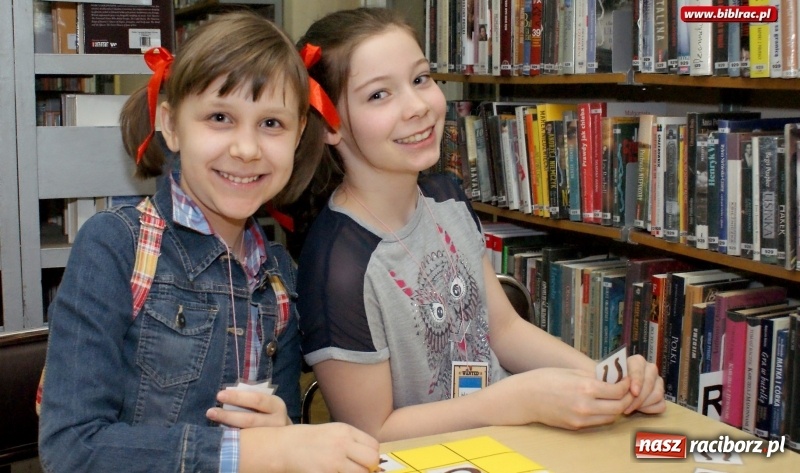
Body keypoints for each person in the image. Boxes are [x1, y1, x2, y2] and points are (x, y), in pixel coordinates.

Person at [295, 7, 666, 443]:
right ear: (329, 125)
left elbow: (504, 329)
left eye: (420, 79)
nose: (417, 106)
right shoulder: (337, 267)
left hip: (508, 443)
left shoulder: (446, 199)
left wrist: (606, 380)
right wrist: (514, 402)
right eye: (379, 94)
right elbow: (370, 431)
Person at [38, 12, 379, 473]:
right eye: (220, 117)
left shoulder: (277, 277)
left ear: (300, 134)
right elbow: (71, 449)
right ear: (171, 124)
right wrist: (257, 452)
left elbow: (281, 439)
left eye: (272, 124)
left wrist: (282, 430)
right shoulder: (116, 247)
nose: (246, 148)